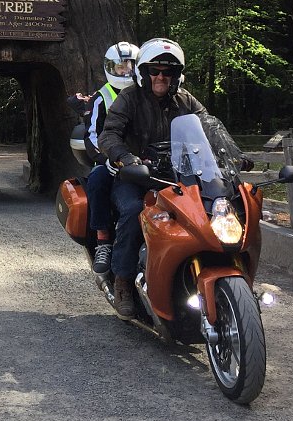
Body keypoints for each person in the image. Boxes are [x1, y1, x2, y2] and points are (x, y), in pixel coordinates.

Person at [98, 37, 206, 318]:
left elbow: (208, 127)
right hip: (136, 177)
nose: (160, 77)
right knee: (134, 211)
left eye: (167, 71)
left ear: (176, 75)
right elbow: (109, 134)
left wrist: (233, 155)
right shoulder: (129, 98)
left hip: (180, 176)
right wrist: (126, 158)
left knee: (209, 210)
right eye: (154, 71)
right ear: (144, 73)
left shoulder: (186, 100)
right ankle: (123, 281)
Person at [82, 41, 139, 275]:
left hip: (140, 159)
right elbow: (92, 134)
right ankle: (103, 240)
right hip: (110, 160)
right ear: (110, 68)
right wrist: (104, 158)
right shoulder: (101, 97)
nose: (125, 71)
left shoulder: (144, 94)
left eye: (129, 66)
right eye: (120, 67)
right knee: (97, 180)